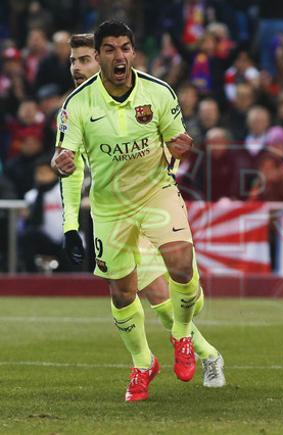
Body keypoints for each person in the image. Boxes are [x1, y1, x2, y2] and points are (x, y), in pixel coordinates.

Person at [51, 22, 225, 402]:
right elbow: (70, 166)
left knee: (180, 270)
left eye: (125, 48)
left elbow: (175, 144)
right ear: (101, 57)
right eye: (108, 51)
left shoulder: (158, 92)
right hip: (112, 211)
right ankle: (146, 362)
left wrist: (178, 155)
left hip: (155, 196)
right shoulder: (75, 107)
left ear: (132, 51)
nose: (119, 57)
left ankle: (185, 338)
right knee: (125, 293)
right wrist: (69, 226)